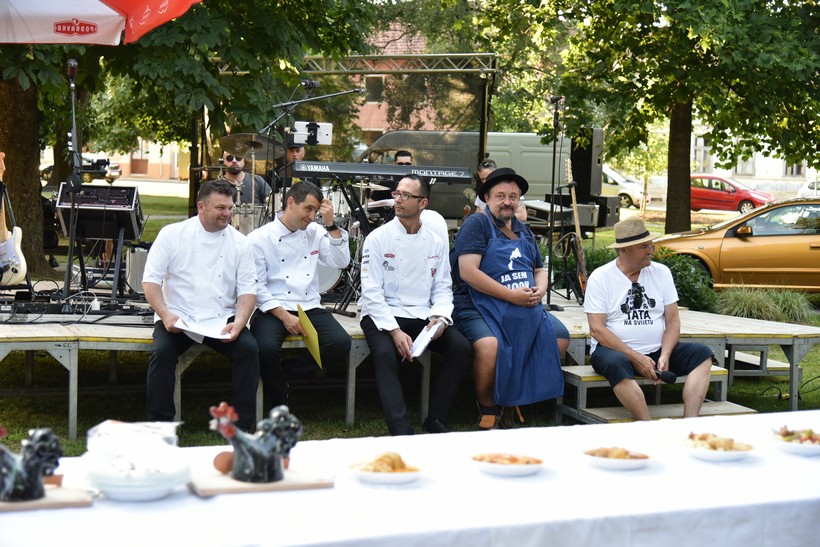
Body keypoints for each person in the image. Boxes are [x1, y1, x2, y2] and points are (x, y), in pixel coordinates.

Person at [452, 167, 568, 430]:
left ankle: (512, 393)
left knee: (559, 337)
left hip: (522, 305)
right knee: (490, 347)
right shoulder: (477, 224)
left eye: (513, 197)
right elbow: (468, 272)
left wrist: (539, 290)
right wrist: (511, 296)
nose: (507, 202)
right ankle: (489, 407)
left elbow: (539, 270)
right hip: (477, 304)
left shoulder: (523, 230)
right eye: (501, 196)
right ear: (487, 198)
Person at [142, 180, 259, 431]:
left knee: (249, 350)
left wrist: (239, 323)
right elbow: (150, 281)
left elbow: (248, 290)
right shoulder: (172, 234)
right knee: (161, 354)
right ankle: (160, 426)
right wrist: (165, 315)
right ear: (201, 207)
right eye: (220, 208)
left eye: (230, 208)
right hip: (178, 316)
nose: (227, 213)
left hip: (221, 318)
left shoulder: (241, 243)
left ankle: (242, 425)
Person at [359, 174, 469, 435]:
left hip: (422, 313)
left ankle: (436, 418)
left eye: (406, 195)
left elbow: (442, 287)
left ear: (423, 203)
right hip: (382, 313)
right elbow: (371, 292)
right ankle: (400, 429)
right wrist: (394, 331)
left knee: (461, 347)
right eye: (397, 193)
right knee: (385, 353)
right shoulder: (377, 238)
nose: (398, 200)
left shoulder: (436, 242)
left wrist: (439, 318)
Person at [584, 216, 714, 420]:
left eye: (650, 245)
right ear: (624, 249)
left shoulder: (661, 272)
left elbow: (673, 321)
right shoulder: (601, 277)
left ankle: (690, 423)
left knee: (702, 354)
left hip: (656, 350)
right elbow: (597, 329)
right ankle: (648, 426)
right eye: (643, 246)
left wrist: (666, 354)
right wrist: (634, 357)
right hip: (614, 352)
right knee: (616, 363)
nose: (650, 250)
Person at [248, 181, 352, 409]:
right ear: (291, 202)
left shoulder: (315, 231)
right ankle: (279, 396)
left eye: (316, 211)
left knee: (340, 343)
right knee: (265, 347)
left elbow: (341, 261)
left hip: (308, 304)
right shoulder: (259, 238)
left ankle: (283, 373)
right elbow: (257, 286)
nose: (312, 216)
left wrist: (331, 225)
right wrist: (285, 316)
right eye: (308, 209)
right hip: (273, 306)